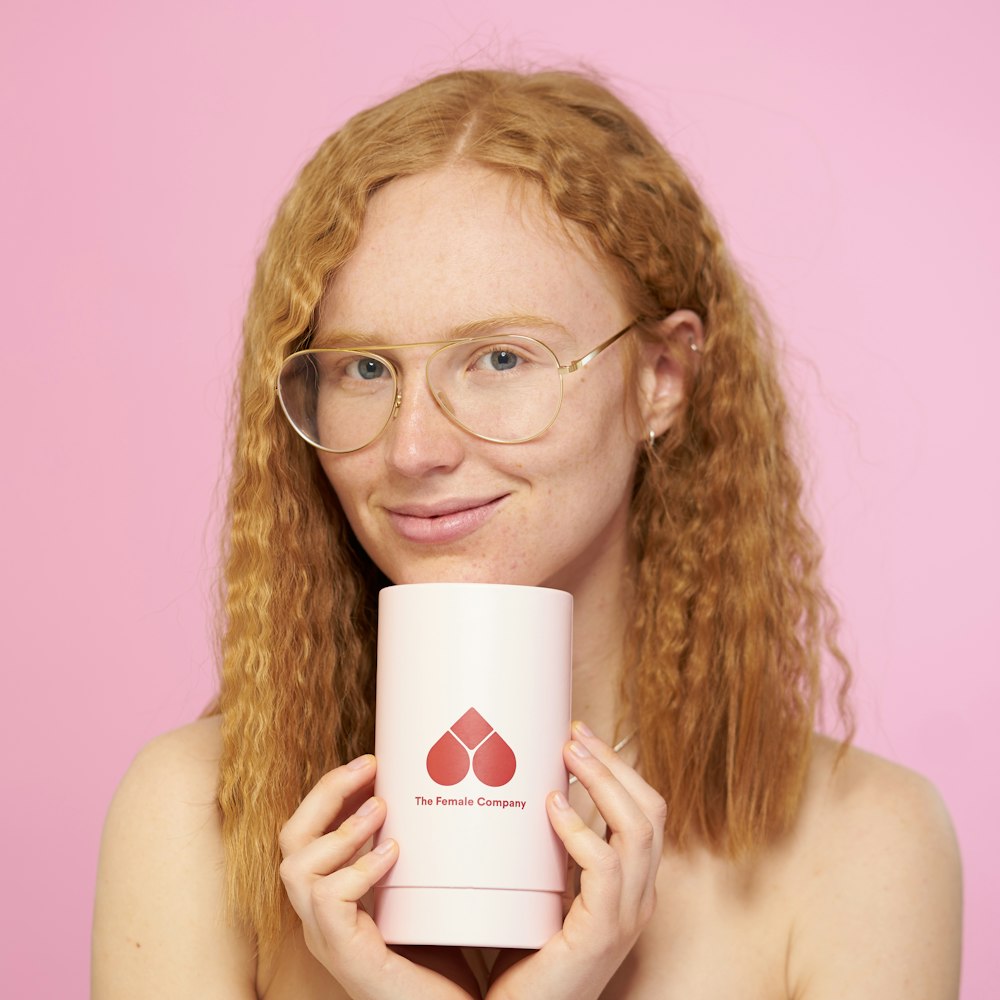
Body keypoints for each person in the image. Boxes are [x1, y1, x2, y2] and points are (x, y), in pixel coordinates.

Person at [91, 68, 962, 999]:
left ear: (660, 378)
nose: (413, 446)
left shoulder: (864, 844)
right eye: (363, 368)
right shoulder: (193, 816)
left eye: (501, 357)